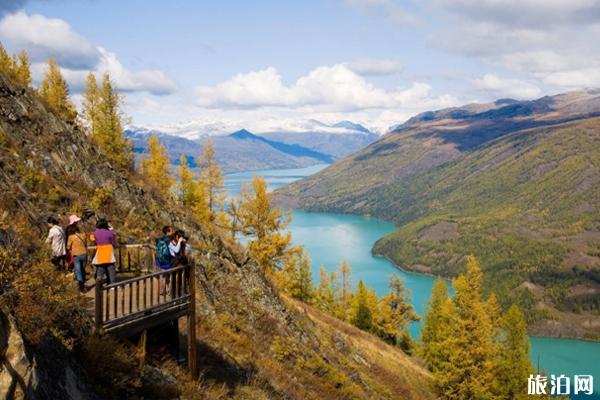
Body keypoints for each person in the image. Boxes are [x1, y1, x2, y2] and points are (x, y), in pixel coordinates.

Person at [91, 218, 117, 284]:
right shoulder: (110, 233)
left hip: (100, 251)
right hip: (109, 251)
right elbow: (113, 243)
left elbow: (92, 239)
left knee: (100, 268)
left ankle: (98, 284)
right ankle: (112, 284)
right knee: (111, 269)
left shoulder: (95, 233)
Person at [66, 216, 88, 292]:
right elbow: (85, 243)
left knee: (78, 271)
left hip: (76, 255)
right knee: (83, 269)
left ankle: (82, 287)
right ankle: (84, 284)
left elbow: (68, 247)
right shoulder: (83, 234)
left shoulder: (70, 237)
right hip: (84, 253)